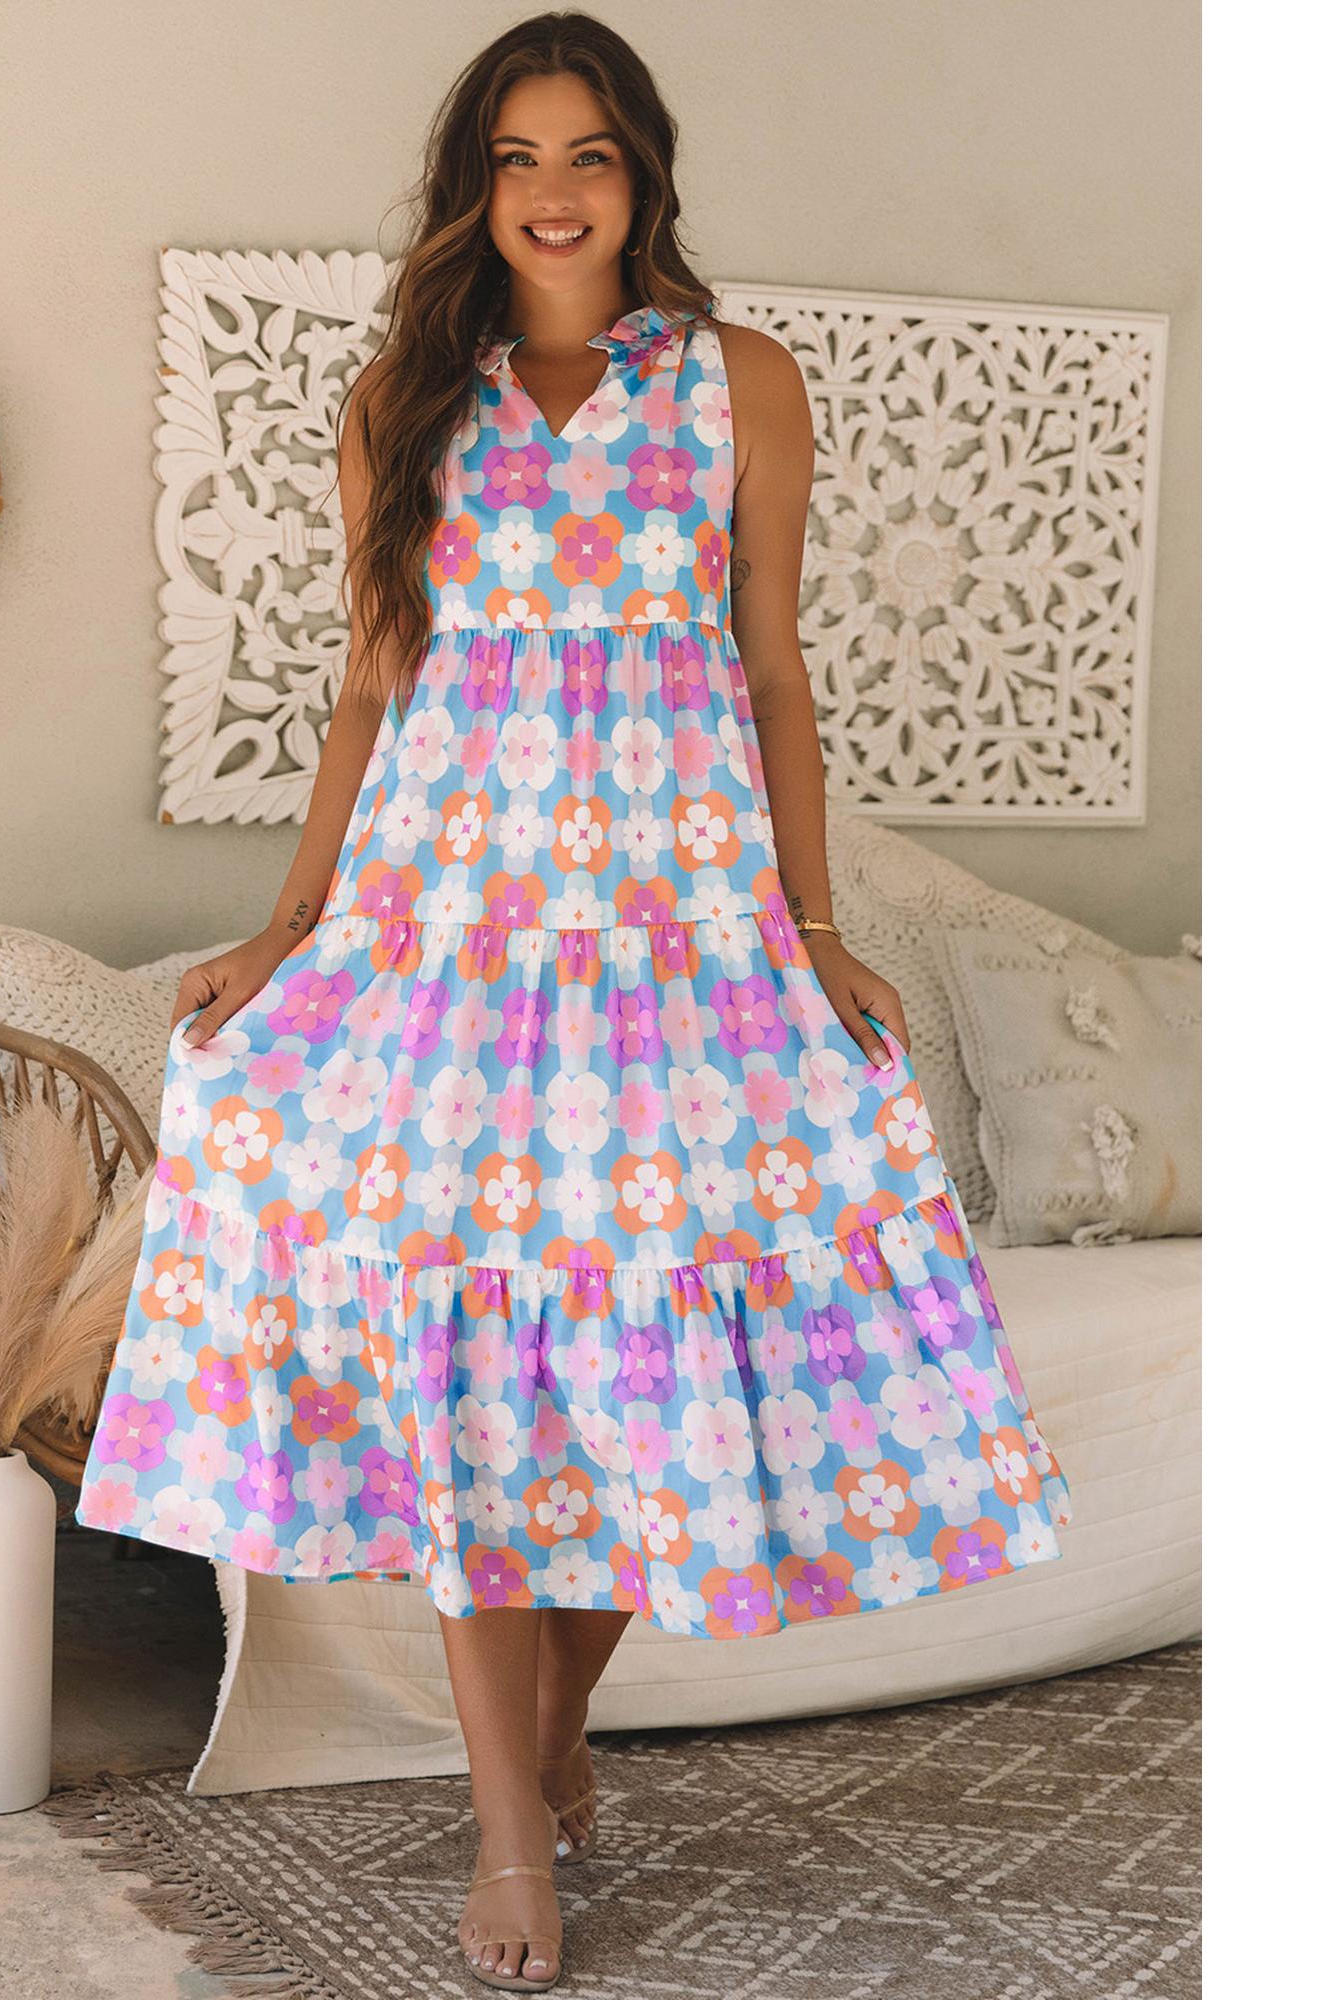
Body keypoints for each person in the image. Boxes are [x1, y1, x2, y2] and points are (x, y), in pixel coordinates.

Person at [77, 13, 1074, 1991]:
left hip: (680, 945)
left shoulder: (738, 382)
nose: (553, 190)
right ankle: (509, 1829)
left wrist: (808, 925)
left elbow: (771, 674)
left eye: (589, 153)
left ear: (642, 178)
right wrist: (288, 930)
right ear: (475, 184)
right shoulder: (401, 401)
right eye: (517, 155)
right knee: (475, 1379)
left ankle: (552, 1724)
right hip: (446, 940)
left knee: (643, 1378)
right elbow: (369, 694)